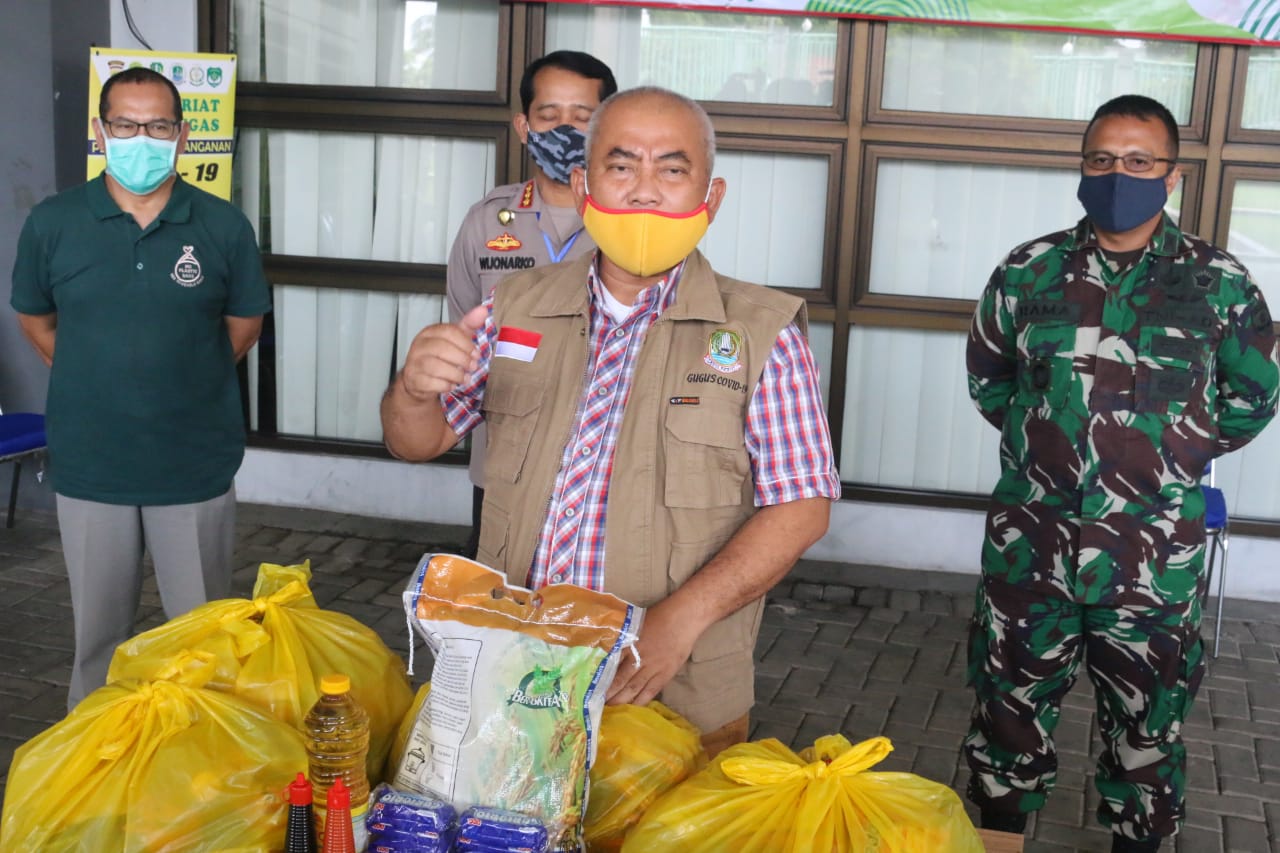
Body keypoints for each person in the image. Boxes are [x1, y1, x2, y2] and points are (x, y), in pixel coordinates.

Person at [383, 86, 839, 757]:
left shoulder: (758, 332)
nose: (645, 191)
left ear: (709, 198)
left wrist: (677, 622)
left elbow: (802, 504)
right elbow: (415, 439)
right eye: (622, 167)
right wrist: (414, 388)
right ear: (584, 182)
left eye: (672, 169)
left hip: (666, 687)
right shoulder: (516, 305)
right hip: (509, 670)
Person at [964, 94, 1278, 852]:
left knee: (1146, 734)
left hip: (1152, 562)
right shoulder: (1027, 270)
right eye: (1102, 160)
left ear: (1171, 175)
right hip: (1029, 550)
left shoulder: (1220, 284)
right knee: (1006, 717)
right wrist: (1052, 452)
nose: (1118, 174)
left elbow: (1252, 398)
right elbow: (991, 380)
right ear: (1083, 167)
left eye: (1138, 162)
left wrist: (1173, 458)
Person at [10, 67, 271, 709]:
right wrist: (94, 375)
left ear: (181, 134)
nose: (141, 139)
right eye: (125, 125)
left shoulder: (222, 226)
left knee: (205, 641)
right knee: (99, 644)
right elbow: (36, 319)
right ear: (101, 131)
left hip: (193, 464)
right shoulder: (54, 222)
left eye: (157, 126)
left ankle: (205, 772)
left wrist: (182, 377)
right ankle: (95, 770)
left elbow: (244, 326)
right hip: (92, 464)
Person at [446, 50, 616, 558]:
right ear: (524, 126)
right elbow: (461, 339)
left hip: (605, 469)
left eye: (584, 118)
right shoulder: (486, 220)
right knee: (498, 610)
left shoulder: (635, 229)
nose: (566, 129)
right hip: (504, 465)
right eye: (549, 115)